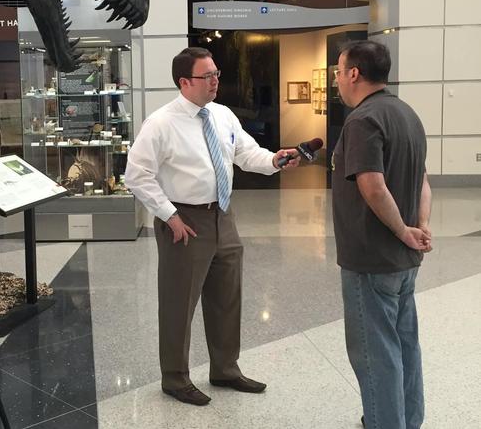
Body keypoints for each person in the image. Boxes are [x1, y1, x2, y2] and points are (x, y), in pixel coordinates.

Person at [125, 47, 299, 406]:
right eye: (208, 76)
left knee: (226, 298)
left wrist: (274, 160)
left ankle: (225, 369)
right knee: (179, 302)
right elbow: (137, 175)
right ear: (184, 82)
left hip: (223, 216)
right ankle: (175, 378)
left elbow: (246, 153)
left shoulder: (221, 115)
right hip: (184, 221)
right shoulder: (161, 123)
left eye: (217, 73)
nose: (216, 80)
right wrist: (168, 214)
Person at [331, 40, 432, 429]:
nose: (338, 80)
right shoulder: (407, 114)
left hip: (371, 259)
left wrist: (404, 231)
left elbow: (372, 185)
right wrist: (419, 226)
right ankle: (408, 419)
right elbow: (423, 180)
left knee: (375, 354)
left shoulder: (362, 120)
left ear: (354, 73)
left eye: (339, 71)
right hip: (403, 261)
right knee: (405, 344)